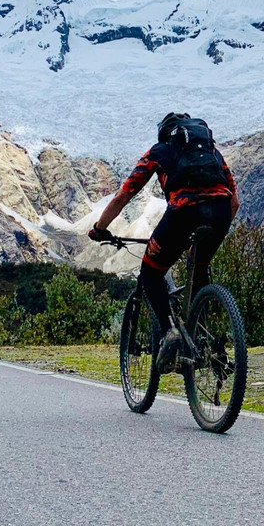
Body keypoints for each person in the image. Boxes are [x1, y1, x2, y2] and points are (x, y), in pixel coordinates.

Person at [89, 112, 239, 371]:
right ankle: (207, 342)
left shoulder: (159, 151)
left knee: (151, 272)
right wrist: (214, 230)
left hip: (184, 211)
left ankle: (170, 332)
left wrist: (100, 228)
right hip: (220, 212)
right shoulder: (213, 153)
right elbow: (234, 201)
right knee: (199, 265)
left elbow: (123, 196)